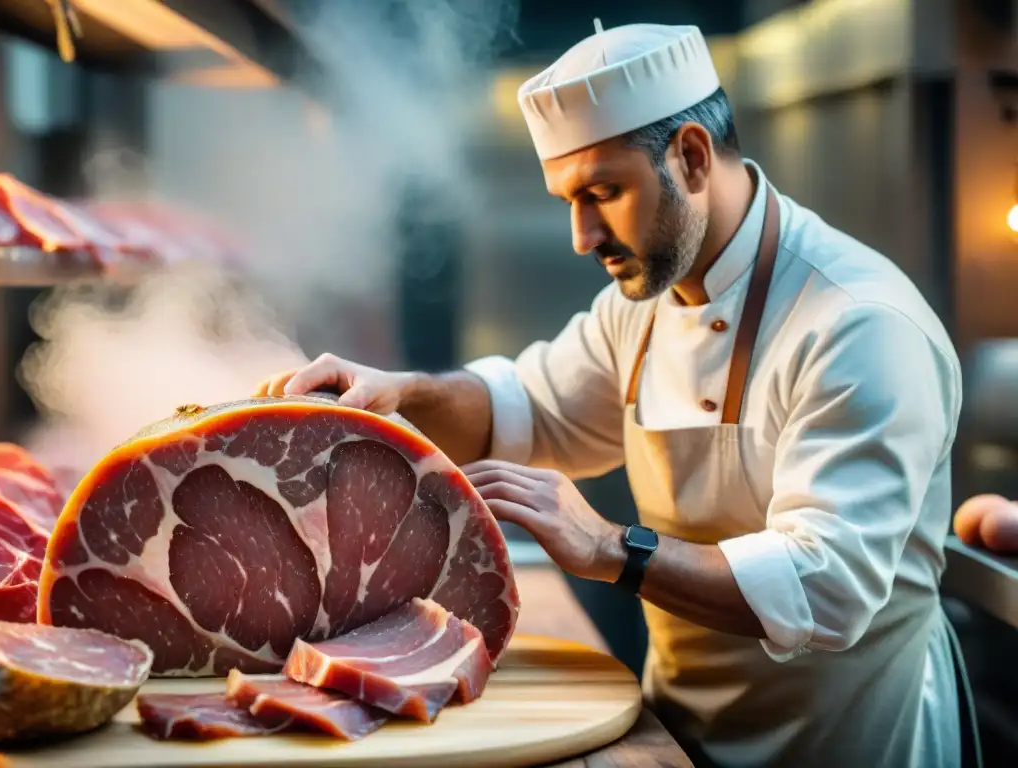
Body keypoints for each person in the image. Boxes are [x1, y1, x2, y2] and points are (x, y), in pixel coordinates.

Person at [255, 21, 977, 768]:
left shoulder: (858, 324)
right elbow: (526, 407)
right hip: (683, 731)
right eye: (568, 199)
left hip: (853, 742)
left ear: (692, 156)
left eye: (603, 192)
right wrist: (399, 395)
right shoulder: (642, 307)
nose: (580, 233)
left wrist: (608, 547)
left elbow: (826, 586)